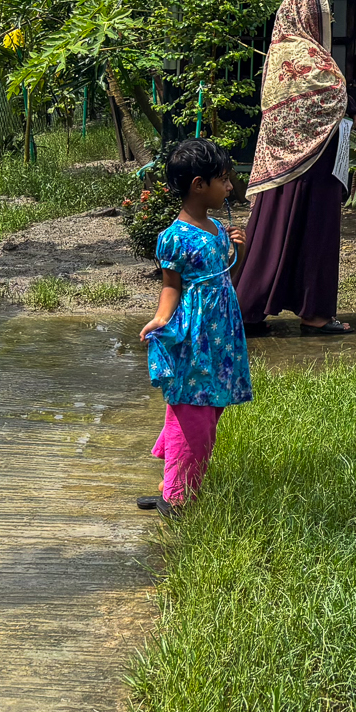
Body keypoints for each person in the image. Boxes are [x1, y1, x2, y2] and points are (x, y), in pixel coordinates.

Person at [138, 139, 252, 512]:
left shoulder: (219, 229)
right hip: (195, 335)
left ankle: (172, 476)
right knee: (195, 412)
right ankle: (177, 497)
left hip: (221, 334)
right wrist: (161, 318)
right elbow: (172, 286)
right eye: (224, 180)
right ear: (199, 185)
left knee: (207, 405)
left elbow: (224, 276)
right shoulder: (173, 238)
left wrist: (239, 252)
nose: (230, 187)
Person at [234, 0, 353, 336]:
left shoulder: (279, 51)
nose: (327, 22)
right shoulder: (307, 54)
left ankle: (248, 309)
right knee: (316, 234)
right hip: (315, 165)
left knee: (271, 231)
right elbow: (333, 95)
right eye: (324, 16)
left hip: (281, 163)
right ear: (309, 17)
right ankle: (314, 314)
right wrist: (350, 107)